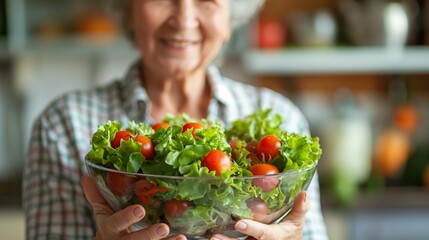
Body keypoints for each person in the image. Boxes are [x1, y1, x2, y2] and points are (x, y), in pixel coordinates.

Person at [23, 0, 328, 239]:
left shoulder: (283, 118)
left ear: (229, 18)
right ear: (129, 9)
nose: (183, 19)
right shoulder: (64, 123)